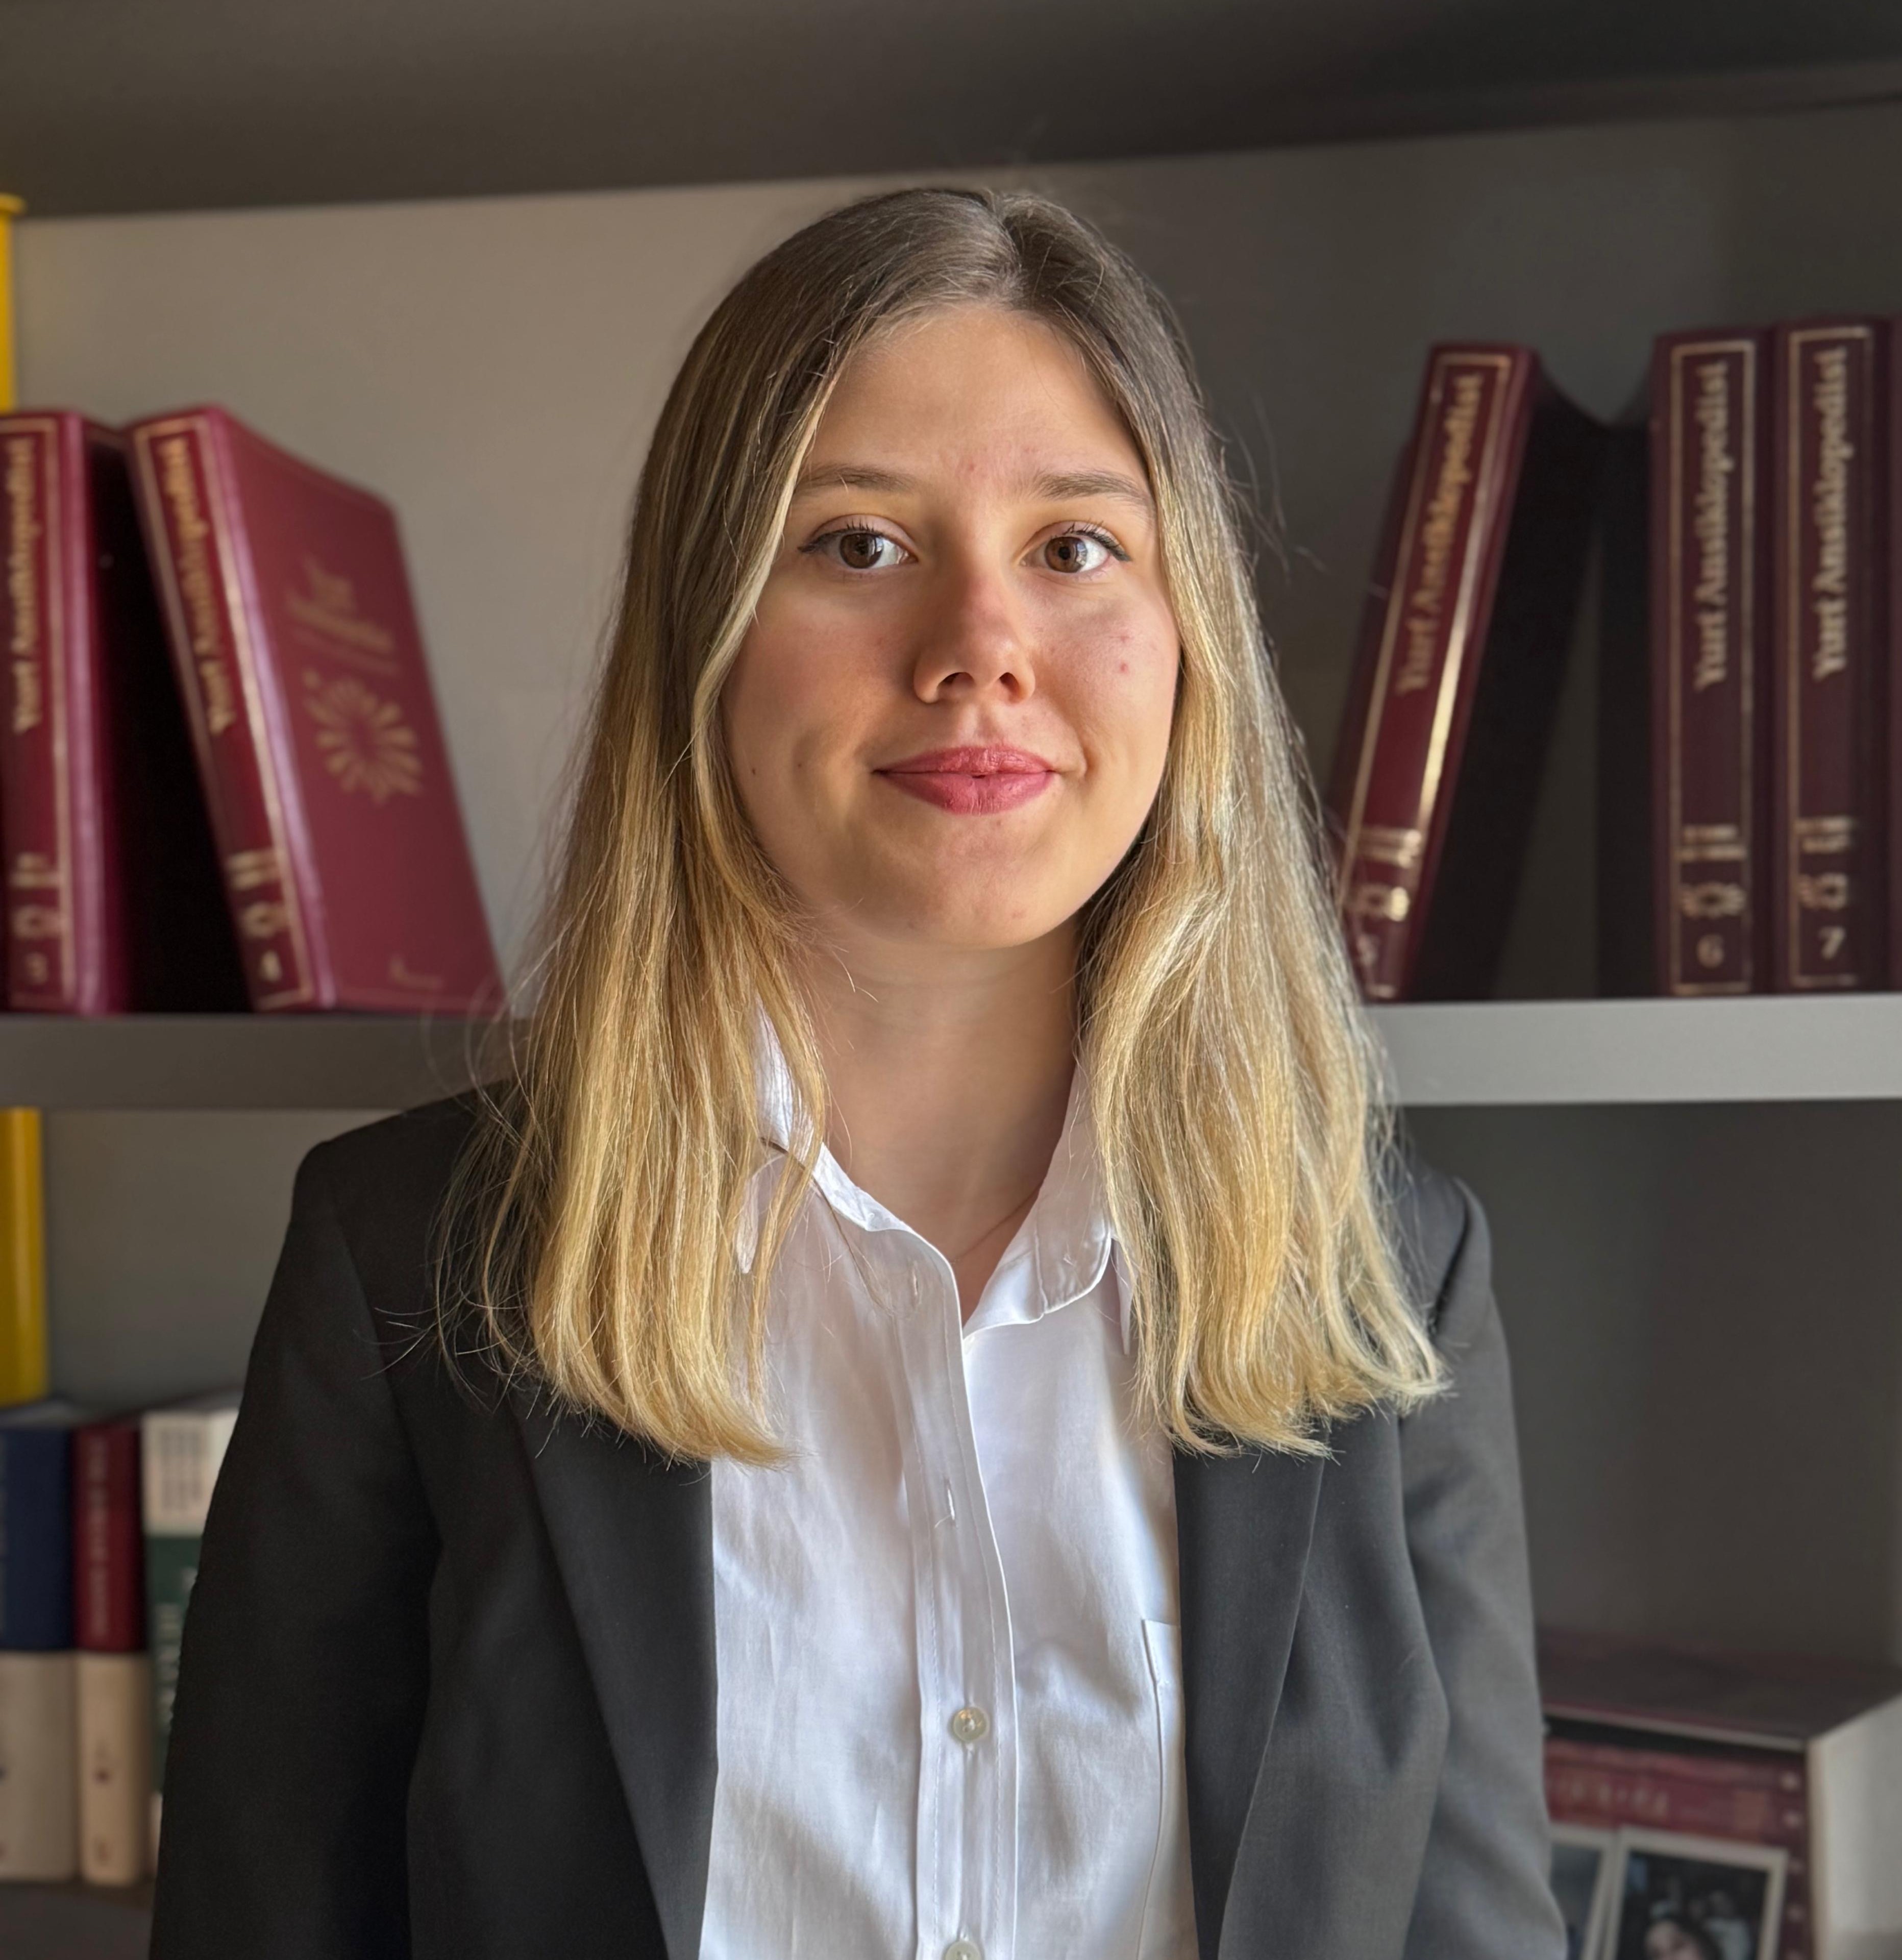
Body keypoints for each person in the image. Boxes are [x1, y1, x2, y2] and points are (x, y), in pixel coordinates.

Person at [150, 187, 1565, 1959]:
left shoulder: (1391, 1277)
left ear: (1188, 635)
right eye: (859, 544)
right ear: (709, 629)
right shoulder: (406, 1262)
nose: (980, 644)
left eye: (1075, 548)